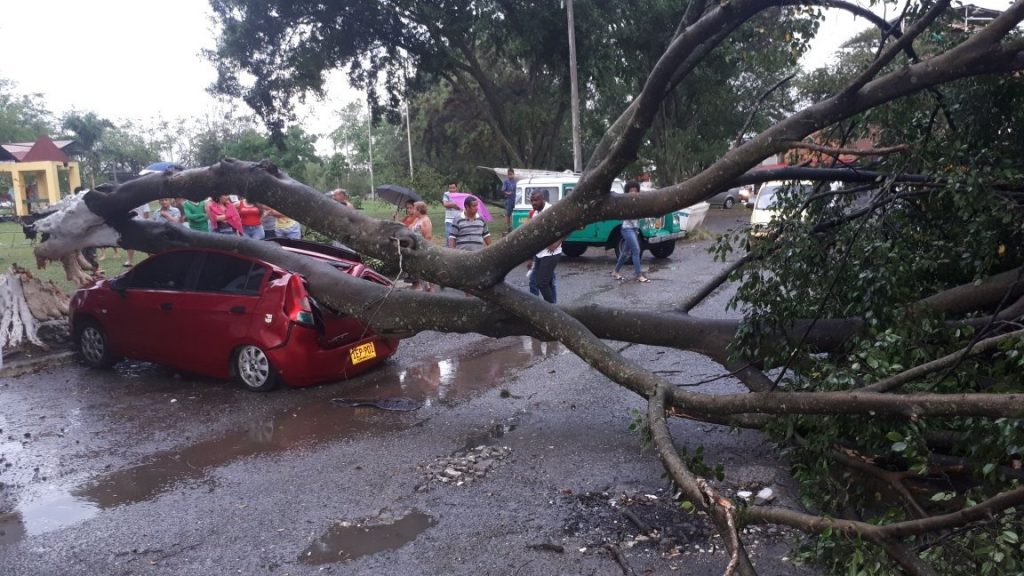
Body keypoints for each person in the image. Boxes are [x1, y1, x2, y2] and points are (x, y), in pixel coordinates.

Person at [525, 191, 562, 303]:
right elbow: (533, 237)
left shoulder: (552, 210)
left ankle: (551, 307)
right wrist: (530, 258)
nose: (533, 203)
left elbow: (568, 227)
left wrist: (557, 242)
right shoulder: (534, 214)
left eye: (536, 200)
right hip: (539, 254)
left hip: (551, 254)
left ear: (542, 199)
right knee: (536, 280)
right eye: (532, 201)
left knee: (542, 283)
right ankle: (544, 305)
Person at [611, 181, 650, 283]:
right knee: (636, 250)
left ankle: (615, 271)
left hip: (635, 229)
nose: (633, 192)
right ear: (627, 192)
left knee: (624, 252)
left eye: (635, 190)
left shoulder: (638, 202)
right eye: (631, 191)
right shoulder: (625, 203)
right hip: (627, 229)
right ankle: (639, 275)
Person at [406, 201, 434, 292]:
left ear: (419, 210)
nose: (412, 210)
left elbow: (428, 237)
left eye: (414, 208)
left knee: (427, 277)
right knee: (421, 276)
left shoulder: (426, 220)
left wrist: (423, 251)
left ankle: (431, 295)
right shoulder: (417, 219)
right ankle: (426, 294)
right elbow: (409, 228)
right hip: (416, 250)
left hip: (423, 251)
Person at [124, 201, 151, 267]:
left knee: (147, 243)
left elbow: (146, 215)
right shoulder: (129, 202)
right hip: (132, 225)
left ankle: (151, 258)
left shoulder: (144, 202)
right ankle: (130, 261)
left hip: (142, 225)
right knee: (130, 243)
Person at [501, 168, 517, 233]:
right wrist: (507, 193)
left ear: (513, 174)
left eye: (511, 174)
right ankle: (508, 227)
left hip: (515, 200)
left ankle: (514, 226)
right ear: (507, 175)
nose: (510, 176)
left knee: (515, 213)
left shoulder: (515, 182)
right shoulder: (506, 182)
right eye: (509, 174)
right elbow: (503, 190)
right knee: (508, 214)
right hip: (509, 200)